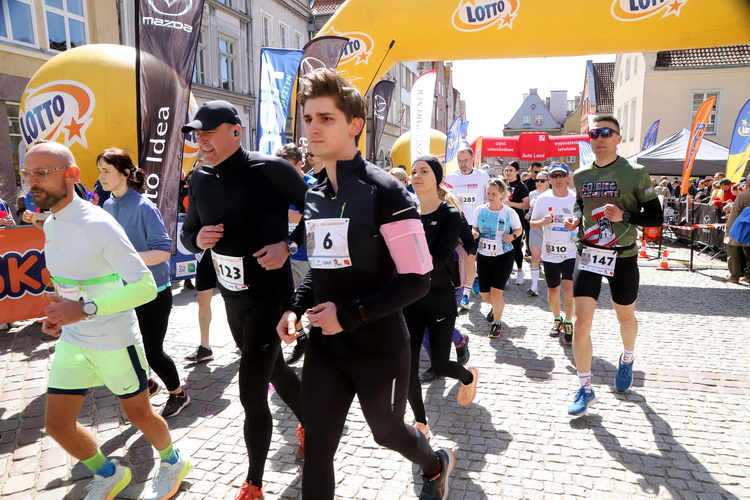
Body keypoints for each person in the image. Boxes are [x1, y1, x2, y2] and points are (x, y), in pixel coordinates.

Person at [276, 68, 455, 500]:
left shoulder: (387, 192)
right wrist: (294, 307)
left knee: (387, 432)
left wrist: (351, 313)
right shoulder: (314, 194)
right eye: (309, 118)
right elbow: (321, 268)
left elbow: (417, 279)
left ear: (355, 125)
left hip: (379, 347)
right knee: (317, 446)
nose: (313, 128)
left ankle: (435, 463)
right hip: (327, 348)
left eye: (326, 118)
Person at [23, 141, 191, 500]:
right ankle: (110, 473)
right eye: (28, 173)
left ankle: (174, 461)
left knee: (140, 415)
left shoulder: (98, 223)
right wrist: (57, 311)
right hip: (74, 340)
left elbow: (145, 287)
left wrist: (83, 310)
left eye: (42, 173)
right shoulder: (52, 223)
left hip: (115, 340)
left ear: (72, 175)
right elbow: (66, 280)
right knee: (57, 425)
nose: (32, 181)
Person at [180, 100, 307, 499]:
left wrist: (289, 245)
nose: (201, 141)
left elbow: (320, 211)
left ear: (236, 131)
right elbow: (188, 231)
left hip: (271, 297)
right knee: (276, 371)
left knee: (251, 389)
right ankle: (312, 421)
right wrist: (197, 239)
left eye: (209, 132)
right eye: (197, 134)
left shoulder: (272, 169)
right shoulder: (199, 177)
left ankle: (254, 483)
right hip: (232, 298)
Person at [563, 116, 663, 417]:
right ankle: (585, 388)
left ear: (618, 138)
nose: (599, 138)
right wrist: (576, 218)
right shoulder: (581, 174)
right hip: (589, 255)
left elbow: (655, 217)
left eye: (606, 133)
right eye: (594, 133)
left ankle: (627, 358)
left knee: (626, 318)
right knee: (581, 322)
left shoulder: (635, 172)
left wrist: (625, 216)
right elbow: (581, 203)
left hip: (624, 256)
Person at [97, 148, 190, 418]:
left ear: (125, 174)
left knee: (153, 351)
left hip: (153, 291)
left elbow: (163, 252)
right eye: (100, 170)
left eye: (106, 171)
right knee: (123, 345)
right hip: (122, 290)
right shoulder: (107, 206)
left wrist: (125, 258)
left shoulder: (145, 207)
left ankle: (178, 394)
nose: (101, 176)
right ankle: (148, 384)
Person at [406, 156, 479, 438]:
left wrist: (405, 264)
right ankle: (420, 423)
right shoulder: (407, 213)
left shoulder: (450, 215)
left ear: (437, 178)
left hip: (439, 296)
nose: (416, 175)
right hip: (410, 298)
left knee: (439, 365)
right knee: (408, 365)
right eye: (413, 171)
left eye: (423, 171)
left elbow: (439, 258)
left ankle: (469, 377)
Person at [275, 143, 317, 365]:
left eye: (288, 166)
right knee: (285, 301)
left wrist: (297, 216)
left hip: (310, 257)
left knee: (315, 307)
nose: (282, 171)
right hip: (286, 256)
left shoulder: (313, 185)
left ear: (300, 164)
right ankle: (301, 339)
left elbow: (319, 217)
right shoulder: (277, 186)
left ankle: (321, 354)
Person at [530, 163, 577, 343]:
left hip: (570, 250)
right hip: (550, 251)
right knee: (553, 289)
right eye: (554, 176)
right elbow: (533, 223)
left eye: (561, 175)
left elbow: (584, 221)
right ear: (549, 179)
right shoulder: (543, 199)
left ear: (567, 178)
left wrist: (574, 226)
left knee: (568, 288)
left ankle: (568, 321)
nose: (558, 179)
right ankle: (557, 319)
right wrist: (543, 222)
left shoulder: (575, 198)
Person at [473, 179, 523, 338]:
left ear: (502, 194)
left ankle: (497, 323)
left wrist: (512, 236)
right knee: (484, 294)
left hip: (504, 256)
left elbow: (519, 229)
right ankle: (497, 307)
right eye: (488, 193)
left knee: (496, 293)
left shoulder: (509, 212)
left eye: (494, 194)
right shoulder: (480, 210)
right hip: (484, 256)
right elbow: (475, 226)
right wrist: (474, 232)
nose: (490, 196)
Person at [445, 146, 490, 309]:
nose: (463, 164)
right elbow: (445, 199)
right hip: (457, 223)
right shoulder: (451, 178)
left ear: (472, 160)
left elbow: (488, 199)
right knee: (459, 259)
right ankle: (461, 286)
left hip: (475, 224)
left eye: (465, 160)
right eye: (460, 161)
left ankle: (466, 294)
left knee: (470, 258)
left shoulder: (482, 176)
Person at [184, 249, 216, 363]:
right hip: (206, 253)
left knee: (232, 300)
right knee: (202, 299)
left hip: (230, 253)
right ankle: (205, 347)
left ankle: (244, 340)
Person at [503, 161, 530, 285]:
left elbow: (527, 204)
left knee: (516, 246)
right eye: (506, 170)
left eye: (511, 170)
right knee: (504, 247)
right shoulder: (503, 184)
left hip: (517, 220)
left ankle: (520, 271)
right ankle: (506, 274)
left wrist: (512, 204)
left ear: (517, 172)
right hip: (503, 220)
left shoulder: (521, 186)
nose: (508, 173)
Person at [526, 169, 550, 296]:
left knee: (549, 258)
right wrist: (528, 214)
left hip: (550, 229)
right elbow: (531, 209)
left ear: (548, 182)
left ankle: (553, 286)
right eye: (537, 180)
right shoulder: (532, 194)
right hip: (535, 227)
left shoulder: (552, 194)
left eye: (542, 180)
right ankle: (534, 286)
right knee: (535, 257)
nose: (538, 183)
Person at [724, 187, 750, 283]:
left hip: (741, 228)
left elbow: (734, 213)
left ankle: (734, 276)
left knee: (734, 252)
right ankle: (748, 276)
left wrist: (728, 229)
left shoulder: (743, 195)